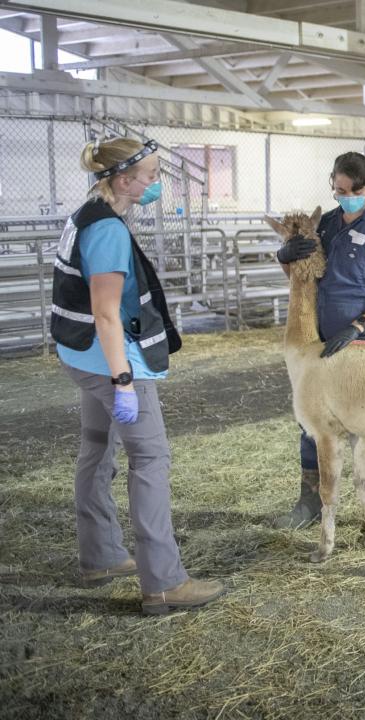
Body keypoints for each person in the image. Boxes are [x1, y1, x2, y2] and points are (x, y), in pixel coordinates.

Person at [52, 137, 224, 615]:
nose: (155, 184)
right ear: (123, 181)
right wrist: (124, 379)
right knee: (149, 460)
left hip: (80, 356)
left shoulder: (85, 213)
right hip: (109, 363)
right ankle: (164, 582)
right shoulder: (106, 230)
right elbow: (106, 314)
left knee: (96, 449)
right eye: (149, 176)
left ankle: (102, 555)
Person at [272, 152, 365, 538]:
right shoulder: (329, 224)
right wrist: (284, 255)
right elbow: (304, 272)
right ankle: (309, 501)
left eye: (352, 191)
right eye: (338, 190)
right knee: (312, 421)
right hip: (322, 343)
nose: (344, 197)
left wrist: (359, 326)